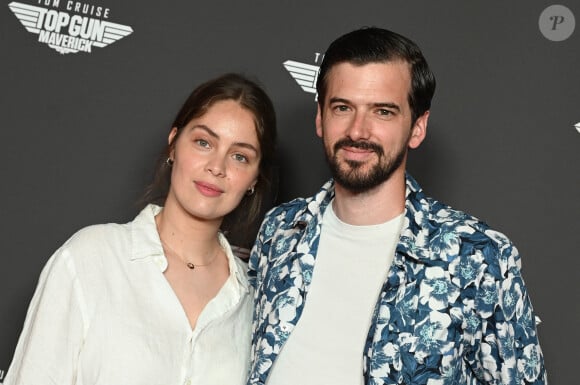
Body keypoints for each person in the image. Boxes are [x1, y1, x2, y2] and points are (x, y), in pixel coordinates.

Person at [247, 27, 547, 385]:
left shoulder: (479, 256)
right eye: (342, 107)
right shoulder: (280, 230)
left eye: (383, 112)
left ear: (417, 127)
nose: (358, 131)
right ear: (320, 118)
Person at [4, 73, 277, 385]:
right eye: (204, 142)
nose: (217, 166)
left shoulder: (253, 303)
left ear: (254, 178)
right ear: (174, 144)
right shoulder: (90, 259)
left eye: (240, 156)